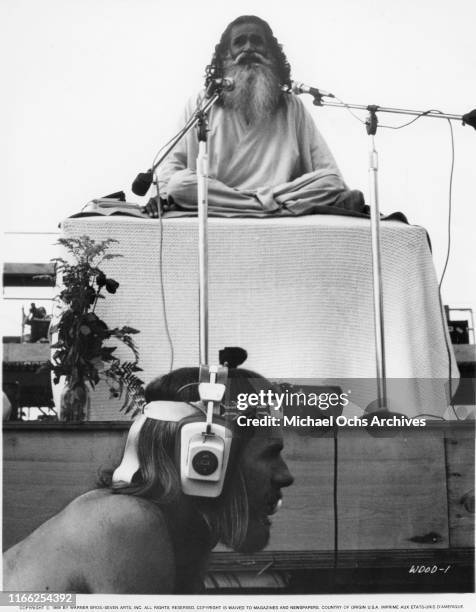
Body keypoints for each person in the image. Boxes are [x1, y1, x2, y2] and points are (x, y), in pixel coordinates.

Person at [3, 367, 293, 594]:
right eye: (271, 454)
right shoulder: (127, 523)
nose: (286, 475)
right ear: (208, 456)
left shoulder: (187, 530)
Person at [145, 15, 362, 218]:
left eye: (257, 41)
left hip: (245, 197)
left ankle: (255, 206)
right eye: (240, 42)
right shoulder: (202, 103)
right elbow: (174, 162)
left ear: (271, 53)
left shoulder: (291, 106)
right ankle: (274, 208)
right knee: (179, 185)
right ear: (225, 55)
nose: (248, 48)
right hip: (237, 194)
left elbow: (327, 169)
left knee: (330, 181)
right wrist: (162, 194)